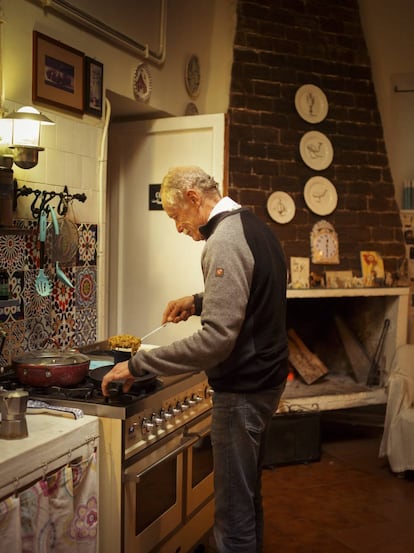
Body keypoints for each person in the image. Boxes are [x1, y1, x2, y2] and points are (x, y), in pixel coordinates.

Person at [101, 166, 288, 553]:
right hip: (266, 383)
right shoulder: (254, 226)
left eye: (175, 217)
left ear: (192, 198)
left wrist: (138, 365)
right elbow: (254, 292)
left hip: (243, 391)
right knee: (249, 498)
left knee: (233, 516)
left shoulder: (224, 241)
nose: (177, 228)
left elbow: (216, 342)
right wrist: (199, 301)